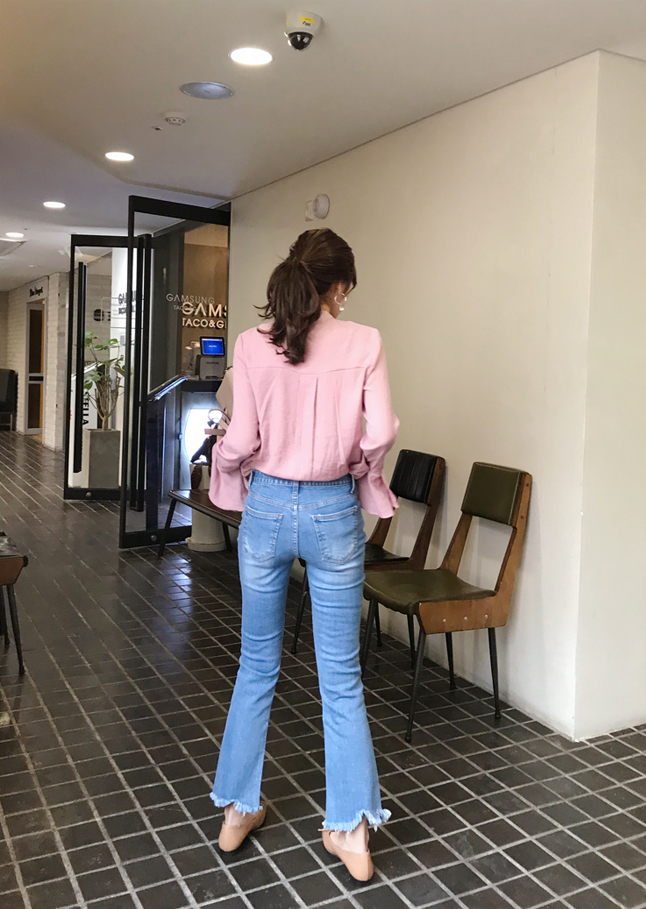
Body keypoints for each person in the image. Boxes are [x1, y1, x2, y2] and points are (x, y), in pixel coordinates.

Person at [208, 228, 399, 881]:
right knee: (340, 675)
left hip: (265, 508)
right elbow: (382, 430)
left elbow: (241, 437)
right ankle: (351, 832)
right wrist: (360, 468)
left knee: (256, 664)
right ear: (337, 285)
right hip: (331, 510)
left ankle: (237, 811)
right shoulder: (365, 341)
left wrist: (227, 468)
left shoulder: (250, 344)